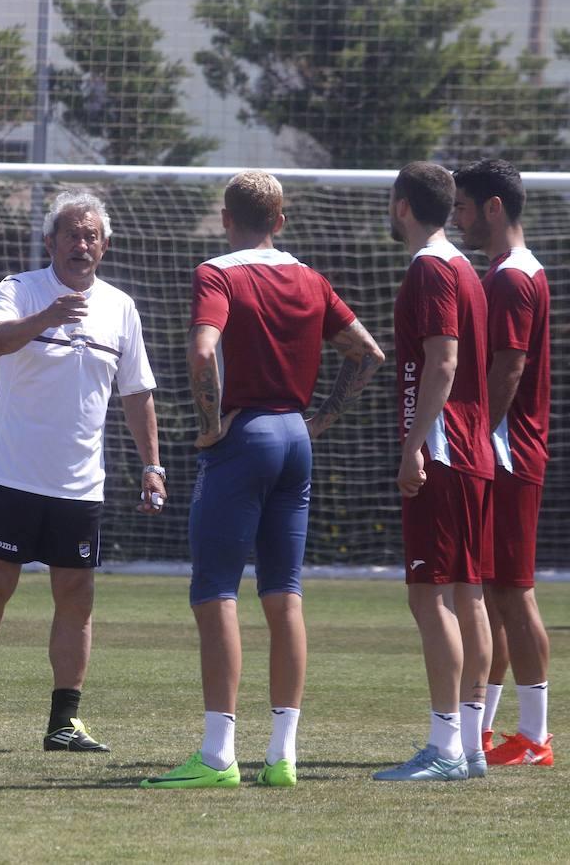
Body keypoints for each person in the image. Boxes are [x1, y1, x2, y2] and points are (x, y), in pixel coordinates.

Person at [141, 170, 384, 789]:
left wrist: (207, 425)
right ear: (281, 219)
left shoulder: (217, 273)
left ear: (226, 218)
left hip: (243, 436)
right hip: (294, 440)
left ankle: (219, 755)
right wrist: (319, 420)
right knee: (284, 594)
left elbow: (202, 351)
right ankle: (282, 757)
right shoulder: (311, 278)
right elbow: (367, 352)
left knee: (216, 590)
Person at [0, 190, 167, 752]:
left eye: (91, 234)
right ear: (50, 243)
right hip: (15, 473)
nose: (81, 243)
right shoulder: (20, 289)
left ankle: (63, 723)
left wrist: (152, 466)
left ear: (105, 246)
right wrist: (46, 317)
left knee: (76, 593)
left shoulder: (121, 306)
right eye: (71, 233)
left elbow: (137, 392)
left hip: (80, 482)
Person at [373, 162, 494, 782]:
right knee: (469, 595)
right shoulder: (468, 268)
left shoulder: (431, 268)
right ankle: (470, 745)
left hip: (444, 452)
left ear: (402, 206)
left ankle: (445, 746)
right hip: (474, 449)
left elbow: (441, 364)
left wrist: (413, 446)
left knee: (430, 596)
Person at [453, 159, 552, 767]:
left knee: (514, 592)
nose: (457, 216)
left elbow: (510, 367)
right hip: (504, 450)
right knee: (493, 591)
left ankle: (537, 736)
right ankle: (485, 730)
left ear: (494, 207)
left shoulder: (514, 278)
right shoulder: (509, 271)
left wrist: (474, 434)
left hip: (508, 452)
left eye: (464, 205)